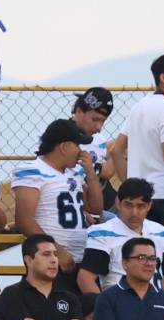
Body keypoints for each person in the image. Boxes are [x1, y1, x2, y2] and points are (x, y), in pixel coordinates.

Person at [14, 118, 101, 285]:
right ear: (63, 147)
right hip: (53, 260)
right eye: (77, 145)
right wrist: (56, 251)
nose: (80, 150)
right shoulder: (33, 170)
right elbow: (24, 220)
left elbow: (96, 208)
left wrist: (91, 174)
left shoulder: (74, 173)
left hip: (81, 259)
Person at [118, 54, 164, 226]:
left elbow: (116, 150)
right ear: (163, 78)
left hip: (140, 197)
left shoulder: (138, 107)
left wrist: (130, 184)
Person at [79, 178, 164, 298]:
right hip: (119, 304)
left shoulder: (159, 232)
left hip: (156, 304)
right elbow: (85, 278)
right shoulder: (103, 233)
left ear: (149, 205)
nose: (134, 213)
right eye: (128, 205)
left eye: (141, 206)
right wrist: (104, 307)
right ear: (118, 203)